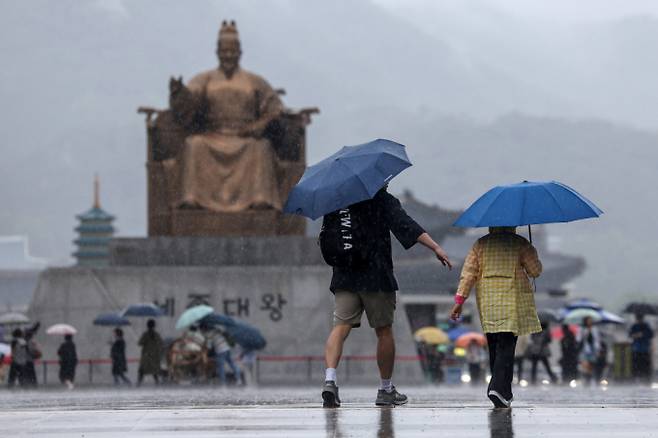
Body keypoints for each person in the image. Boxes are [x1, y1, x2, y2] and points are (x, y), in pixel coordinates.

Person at [321, 187, 452, 408]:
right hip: (376, 275)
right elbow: (405, 224)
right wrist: (435, 246)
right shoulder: (380, 198)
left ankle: (330, 380)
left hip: (345, 275)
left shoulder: (337, 199)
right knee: (383, 331)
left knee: (340, 328)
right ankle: (386, 389)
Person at [451, 226, 543, 408]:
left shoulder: (480, 245)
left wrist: (460, 300)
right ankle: (497, 387)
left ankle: (504, 393)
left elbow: (468, 273)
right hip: (512, 301)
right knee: (507, 347)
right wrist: (532, 252)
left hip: (488, 302)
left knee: (494, 345)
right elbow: (535, 271)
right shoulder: (520, 243)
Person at [629, 313, 654, 383]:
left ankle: (646, 378)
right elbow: (630, 334)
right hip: (636, 349)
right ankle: (636, 378)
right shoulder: (634, 326)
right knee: (636, 365)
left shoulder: (646, 326)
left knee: (645, 365)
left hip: (644, 349)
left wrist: (642, 334)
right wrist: (635, 335)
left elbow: (651, 334)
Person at [137, 319, 163, 386]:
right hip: (154, 356)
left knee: (142, 371)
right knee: (154, 371)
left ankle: (138, 383)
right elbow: (161, 343)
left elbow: (140, 343)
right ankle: (157, 383)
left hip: (146, 356)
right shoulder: (157, 335)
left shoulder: (145, 334)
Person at [578, 316, 600, 385]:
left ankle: (589, 379)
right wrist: (585, 334)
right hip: (585, 349)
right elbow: (578, 339)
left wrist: (598, 349)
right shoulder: (582, 329)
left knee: (591, 365)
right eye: (588, 320)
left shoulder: (594, 329)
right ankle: (586, 378)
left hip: (593, 349)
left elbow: (597, 340)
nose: (589, 322)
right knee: (585, 364)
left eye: (590, 320)